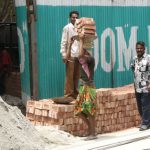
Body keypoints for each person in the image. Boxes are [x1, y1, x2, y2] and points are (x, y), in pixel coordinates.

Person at [74, 36, 97, 140]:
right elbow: (74, 57)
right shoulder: (81, 60)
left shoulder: (90, 59)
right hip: (83, 88)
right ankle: (91, 130)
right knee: (78, 111)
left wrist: (81, 40)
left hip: (89, 88)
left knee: (89, 111)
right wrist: (73, 42)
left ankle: (93, 133)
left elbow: (80, 55)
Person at [60, 10, 80, 99]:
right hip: (70, 55)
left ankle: (75, 94)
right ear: (70, 18)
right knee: (69, 76)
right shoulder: (67, 28)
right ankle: (68, 95)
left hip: (78, 55)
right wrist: (63, 54)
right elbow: (63, 42)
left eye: (76, 17)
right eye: (73, 17)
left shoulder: (80, 28)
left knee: (77, 75)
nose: (75, 19)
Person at [131, 41, 150, 131]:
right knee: (139, 105)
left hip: (146, 86)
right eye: (137, 48)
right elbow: (133, 69)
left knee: (145, 105)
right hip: (137, 86)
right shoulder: (134, 59)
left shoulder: (148, 58)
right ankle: (145, 121)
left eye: (141, 48)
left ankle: (146, 123)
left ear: (144, 49)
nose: (139, 50)